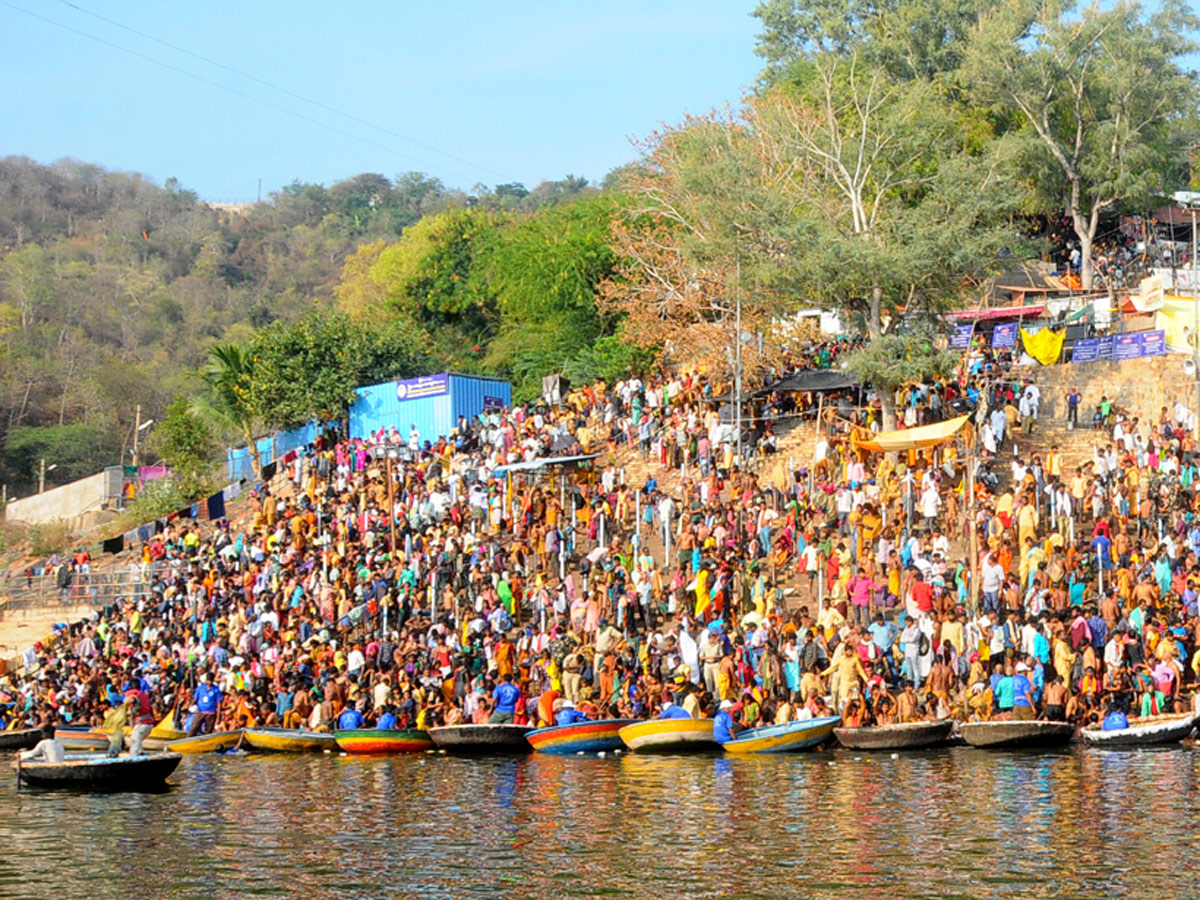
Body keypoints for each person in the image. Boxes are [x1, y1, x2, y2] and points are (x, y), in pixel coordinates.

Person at [124, 682, 155, 755]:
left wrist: (125, 705)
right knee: (138, 745)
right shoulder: (144, 695)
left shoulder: (133, 693)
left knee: (134, 744)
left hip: (141, 724)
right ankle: (141, 754)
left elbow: (132, 699)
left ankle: (133, 762)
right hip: (149, 725)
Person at [188, 671, 222, 737]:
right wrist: (191, 704)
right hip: (200, 711)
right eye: (208, 680)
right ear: (206, 680)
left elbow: (219, 703)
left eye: (211, 681)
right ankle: (188, 740)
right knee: (194, 727)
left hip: (210, 713)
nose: (209, 682)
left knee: (208, 731)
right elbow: (195, 697)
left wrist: (218, 716)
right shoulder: (201, 688)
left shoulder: (216, 689)